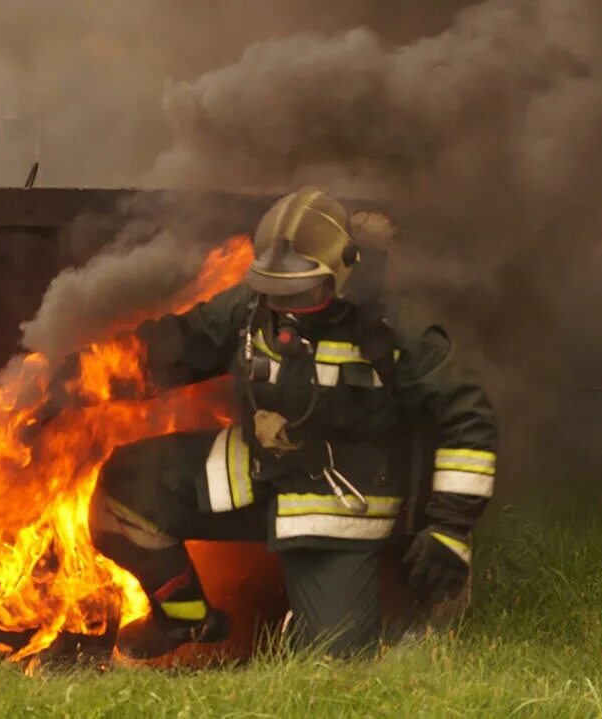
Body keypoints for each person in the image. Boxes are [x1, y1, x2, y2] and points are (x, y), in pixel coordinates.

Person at [84, 187, 498, 658]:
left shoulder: (395, 328)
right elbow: (180, 345)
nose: (286, 306)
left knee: (331, 666)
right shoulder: (252, 306)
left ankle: (336, 629)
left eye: (302, 292)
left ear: (341, 273)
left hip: (337, 505)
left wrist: (450, 526)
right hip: (256, 475)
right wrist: (80, 377)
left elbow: (469, 419)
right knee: (124, 489)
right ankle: (183, 622)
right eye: (275, 289)